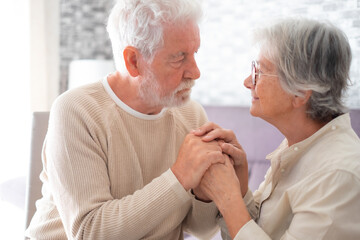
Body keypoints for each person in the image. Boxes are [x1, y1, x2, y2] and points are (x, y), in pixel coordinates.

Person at [25, 0, 224, 239]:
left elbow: (201, 230)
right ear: (133, 61)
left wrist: (205, 193)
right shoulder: (77, 111)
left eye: (194, 53)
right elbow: (90, 232)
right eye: (179, 57)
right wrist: (180, 176)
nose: (195, 71)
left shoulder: (191, 114)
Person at [192, 18, 360, 239]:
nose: (247, 82)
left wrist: (228, 199)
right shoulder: (298, 144)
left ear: (300, 92)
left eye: (259, 71)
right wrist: (240, 188)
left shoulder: (338, 175)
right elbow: (260, 231)